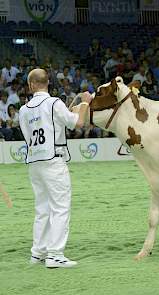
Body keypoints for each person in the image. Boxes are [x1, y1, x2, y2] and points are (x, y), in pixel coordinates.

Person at [19, 69, 92, 268]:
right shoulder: (54, 103)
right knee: (60, 207)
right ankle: (55, 254)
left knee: (42, 208)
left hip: (35, 162)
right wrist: (85, 102)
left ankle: (38, 253)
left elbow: (65, 120)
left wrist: (76, 109)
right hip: (53, 160)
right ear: (48, 82)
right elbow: (78, 123)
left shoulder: (24, 110)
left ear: (31, 85)